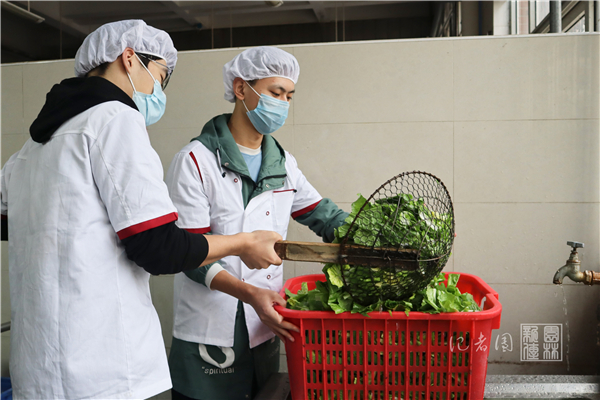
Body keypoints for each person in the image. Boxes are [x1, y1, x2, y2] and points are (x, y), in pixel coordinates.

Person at [0, 21, 285, 400]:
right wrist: (243, 243)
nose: (158, 92)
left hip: (37, 370)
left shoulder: (30, 150)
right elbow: (158, 248)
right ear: (130, 58)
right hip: (101, 369)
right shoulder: (115, 119)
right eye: (161, 77)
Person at [165, 46, 349, 400]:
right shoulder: (195, 161)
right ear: (241, 89)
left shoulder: (282, 163)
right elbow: (188, 253)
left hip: (264, 324)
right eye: (275, 93)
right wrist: (250, 295)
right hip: (211, 327)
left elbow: (322, 214)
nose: (282, 104)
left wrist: (377, 235)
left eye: (289, 96)